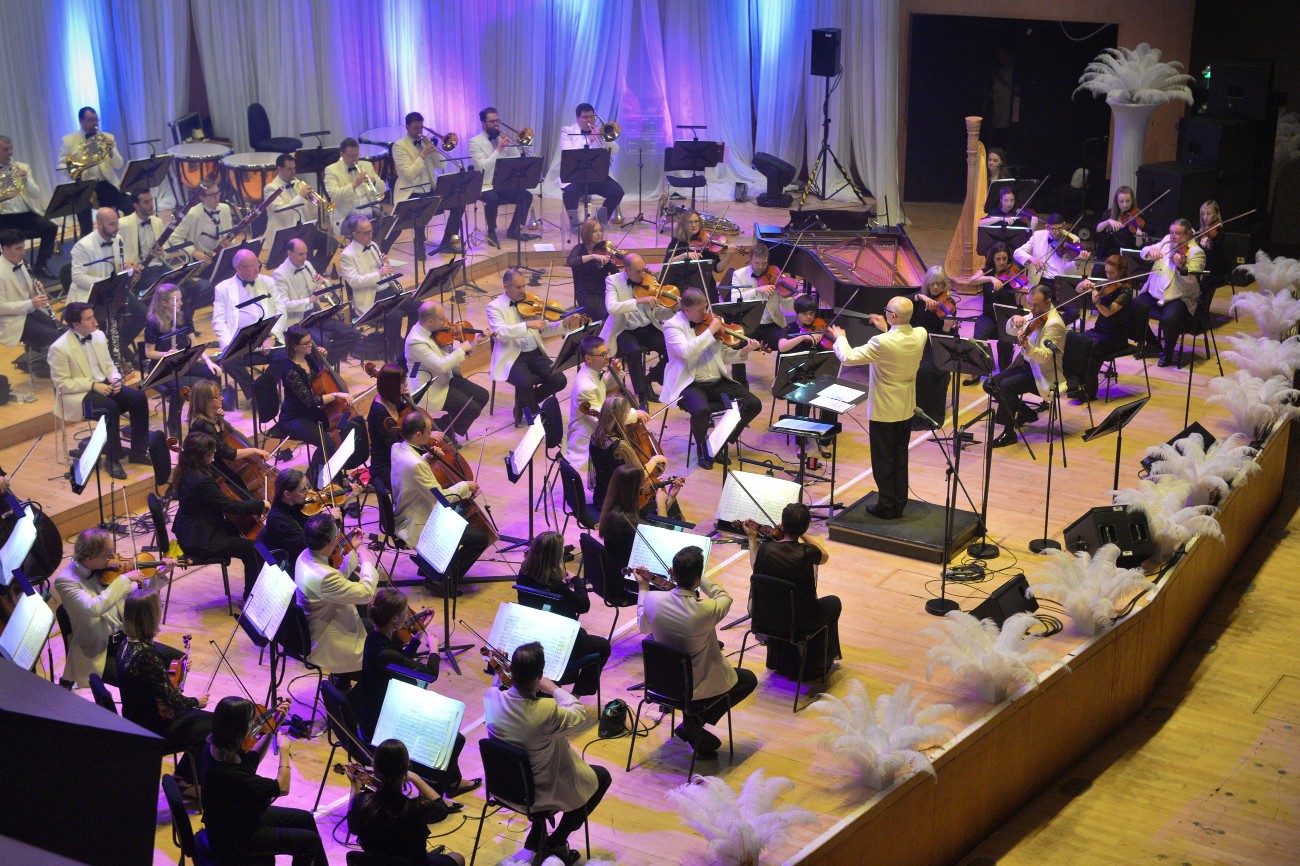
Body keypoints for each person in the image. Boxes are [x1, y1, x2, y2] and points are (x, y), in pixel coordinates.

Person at [483, 641, 613, 866]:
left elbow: (500, 690)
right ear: (539, 675)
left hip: (503, 789)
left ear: (511, 670)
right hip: (539, 794)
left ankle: (539, 829)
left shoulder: (490, 697)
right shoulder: (547, 711)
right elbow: (580, 712)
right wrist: (552, 688)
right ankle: (557, 840)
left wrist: (499, 671)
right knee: (601, 777)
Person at [356, 589, 480, 800]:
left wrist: (416, 638)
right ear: (395, 619)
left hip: (381, 708)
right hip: (380, 723)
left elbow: (399, 662)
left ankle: (452, 782)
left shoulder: (375, 637)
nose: (409, 615)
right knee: (454, 739)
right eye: (405, 612)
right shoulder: (385, 652)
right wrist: (434, 649)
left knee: (448, 731)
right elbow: (429, 674)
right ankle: (434, 797)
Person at [636, 546, 758, 756]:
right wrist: (701, 580)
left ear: (673, 573)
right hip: (696, 687)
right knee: (748, 680)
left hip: (662, 682)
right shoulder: (707, 609)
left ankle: (691, 724)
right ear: (697, 577)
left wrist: (643, 587)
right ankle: (694, 721)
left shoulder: (652, 600)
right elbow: (724, 596)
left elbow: (644, 627)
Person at [828, 296, 927, 520]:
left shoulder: (880, 342)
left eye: (887, 311)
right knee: (900, 456)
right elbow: (898, 343)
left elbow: (848, 357)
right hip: (906, 406)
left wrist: (840, 338)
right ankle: (898, 502)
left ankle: (886, 505)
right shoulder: (921, 334)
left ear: (893, 316)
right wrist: (887, 328)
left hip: (885, 409)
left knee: (883, 460)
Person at [199, 696, 327, 865]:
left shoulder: (216, 747)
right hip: (235, 839)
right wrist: (283, 751)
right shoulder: (233, 775)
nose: (255, 724)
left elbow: (251, 760)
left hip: (237, 820)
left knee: (305, 819)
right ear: (239, 729)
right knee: (310, 843)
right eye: (251, 722)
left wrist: (274, 725)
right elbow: (282, 787)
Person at [116, 588, 211, 794]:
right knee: (212, 724)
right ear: (151, 616)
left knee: (200, 721)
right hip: (152, 728)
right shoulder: (147, 656)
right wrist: (197, 701)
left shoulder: (125, 644)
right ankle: (185, 781)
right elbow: (175, 701)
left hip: (133, 718)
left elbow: (151, 681)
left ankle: (184, 776)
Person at [52, 527, 172, 687]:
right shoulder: (66, 581)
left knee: (177, 660)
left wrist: (158, 576)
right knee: (145, 682)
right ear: (90, 557)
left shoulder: (106, 570)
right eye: (108, 555)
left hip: (126, 640)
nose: (113, 558)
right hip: (99, 651)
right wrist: (124, 580)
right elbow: (95, 607)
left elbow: (134, 596)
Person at [661, 287, 762, 470]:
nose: (706, 313)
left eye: (706, 307)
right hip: (690, 384)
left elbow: (723, 355)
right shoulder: (672, 326)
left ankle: (720, 442)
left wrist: (743, 351)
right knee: (701, 411)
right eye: (700, 310)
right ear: (687, 310)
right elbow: (686, 352)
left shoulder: (712, 321)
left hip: (717, 381)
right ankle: (702, 446)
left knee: (753, 404)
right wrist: (710, 331)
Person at [48, 302, 151, 479]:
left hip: (103, 385)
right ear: (76, 324)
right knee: (109, 408)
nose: (95, 321)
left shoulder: (98, 335)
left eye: (93, 316)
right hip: (79, 395)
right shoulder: (59, 348)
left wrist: (115, 378)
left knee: (138, 398)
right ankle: (112, 459)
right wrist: (93, 385)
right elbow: (61, 384)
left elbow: (108, 365)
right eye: (89, 318)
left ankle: (138, 451)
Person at [391, 411, 489, 588]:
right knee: (480, 539)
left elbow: (413, 468)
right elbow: (442, 498)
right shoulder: (417, 465)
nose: (431, 436)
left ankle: (430, 568)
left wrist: (427, 458)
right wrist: (465, 486)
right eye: (428, 432)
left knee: (459, 514)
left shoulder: (397, 448)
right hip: (418, 521)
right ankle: (441, 581)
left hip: (406, 510)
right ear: (418, 434)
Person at [744, 502, 841, 680]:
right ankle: (817, 663)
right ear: (804, 527)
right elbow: (824, 556)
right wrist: (803, 534)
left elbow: (755, 566)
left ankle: (777, 659)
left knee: (781, 603)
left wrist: (752, 537)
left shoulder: (766, 548)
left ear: (782, 524)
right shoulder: (806, 553)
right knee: (834, 603)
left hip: (766, 618)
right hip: (798, 624)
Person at [170, 431, 270, 600]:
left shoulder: (185, 470)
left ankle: (258, 587)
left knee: (244, 534)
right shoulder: (202, 481)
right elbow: (230, 506)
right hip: (201, 539)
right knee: (253, 549)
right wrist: (260, 505)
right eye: (212, 452)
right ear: (203, 456)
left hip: (191, 530)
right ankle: (250, 597)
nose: (215, 453)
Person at [516, 531, 612, 698]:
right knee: (603, 646)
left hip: (534, 632)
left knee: (585, 636)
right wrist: (576, 581)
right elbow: (583, 606)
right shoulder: (556, 587)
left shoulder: (523, 574)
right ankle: (575, 696)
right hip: (558, 640)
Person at [347, 738, 468, 866]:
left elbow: (353, 827)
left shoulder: (362, 803)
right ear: (405, 769)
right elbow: (442, 808)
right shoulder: (416, 808)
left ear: (375, 769)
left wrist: (355, 785)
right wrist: (415, 777)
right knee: (458, 857)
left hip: (376, 863)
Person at [485, 267, 578, 426]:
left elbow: (544, 328)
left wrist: (563, 324)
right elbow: (500, 333)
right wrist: (527, 324)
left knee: (559, 380)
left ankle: (523, 405)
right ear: (506, 287)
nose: (522, 291)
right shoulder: (494, 307)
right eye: (518, 287)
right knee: (525, 382)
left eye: (524, 286)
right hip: (513, 357)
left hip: (535, 353)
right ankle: (535, 416)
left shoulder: (530, 302)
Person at [294, 511, 378, 685]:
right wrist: (367, 561)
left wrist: (353, 551)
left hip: (320, 619)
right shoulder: (323, 577)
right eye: (336, 535)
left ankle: (344, 682)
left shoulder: (305, 555)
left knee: (372, 626)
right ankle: (358, 682)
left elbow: (335, 581)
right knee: (379, 643)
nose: (339, 537)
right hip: (327, 637)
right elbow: (366, 594)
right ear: (329, 542)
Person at [983, 284, 1067, 447]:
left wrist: (1027, 347)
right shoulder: (1036, 313)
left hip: (1043, 372)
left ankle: (1009, 433)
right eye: (1030, 304)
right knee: (990, 384)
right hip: (1027, 366)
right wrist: (1014, 320)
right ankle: (1025, 412)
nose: (1032, 309)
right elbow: (1012, 331)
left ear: (1048, 302)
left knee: (1005, 386)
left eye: (1036, 305)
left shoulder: (1054, 324)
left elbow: (1045, 357)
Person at [280, 324, 369, 475]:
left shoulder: (308, 359)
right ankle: (314, 476)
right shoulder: (290, 371)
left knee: (344, 427)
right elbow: (310, 400)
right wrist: (337, 395)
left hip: (310, 412)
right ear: (295, 346)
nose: (311, 345)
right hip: (294, 417)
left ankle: (335, 473)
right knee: (328, 444)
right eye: (306, 343)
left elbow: (319, 382)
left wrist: (323, 360)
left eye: (310, 341)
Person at [143, 282, 220, 436]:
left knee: (213, 373)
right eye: (176, 300)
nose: (181, 303)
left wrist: (208, 361)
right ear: (164, 303)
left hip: (182, 363)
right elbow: (149, 352)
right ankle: (173, 423)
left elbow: (194, 344)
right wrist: (166, 354)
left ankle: (211, 415)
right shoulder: (154, 323)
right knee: (180, 387)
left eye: (180, 299)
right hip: (163, 368)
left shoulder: (183, 317)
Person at [404, 300, 488, 440]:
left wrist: (474, 343)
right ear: (430, 321)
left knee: (482, 396)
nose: (447, 323)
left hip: (446, 378)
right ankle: (441, 430)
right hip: (431, 387)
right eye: (442, 319)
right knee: (471, 409)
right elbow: (441, 366)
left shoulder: (434, 331)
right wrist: (461, 349)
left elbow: (450, 355)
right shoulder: (416, 341)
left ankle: (445, 428)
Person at [1131, 219, 1206, 368]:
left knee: (1170, 318)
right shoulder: (1166, 241)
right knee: (1132, 308)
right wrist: (1151, 251)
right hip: (1154, 294)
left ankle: (1168, 352)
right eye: (1171, 232)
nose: (1173, 236)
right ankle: (1153, 344)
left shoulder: (1196, 252)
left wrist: (1180, 266)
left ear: (1188, 234)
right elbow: (1143, 252)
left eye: (1177, 233)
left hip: (1179, 297)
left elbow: (1193, 273)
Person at [271, 237, 362, 361]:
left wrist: (322, 282)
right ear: (289, 254)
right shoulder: (279, 274)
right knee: (324, 343)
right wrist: (309, 300)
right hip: (299, 322)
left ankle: (328, 362)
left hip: (316, 315)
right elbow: (285, 305)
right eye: (300, 254)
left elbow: (323, 286)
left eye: (306, 253)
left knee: (352, 334)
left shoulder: (307, 265)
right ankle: (323, 366)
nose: (304, 257)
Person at [588, 396, 679, 519]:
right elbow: (638, 476)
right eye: (627, 412)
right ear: (621, 417)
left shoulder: (595, 437)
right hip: (621, 506)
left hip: (601, 498)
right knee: (669, 504)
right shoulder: (620, 446)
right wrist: (655, 460)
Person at [601, 252, 670, 407]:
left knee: (672, 347)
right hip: (624, 329)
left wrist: (673, 308)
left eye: (644, 269)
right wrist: (639, 301)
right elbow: (611, 307)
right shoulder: (613, 281)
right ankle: (642, 394)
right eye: (639, 271)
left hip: (647, 326)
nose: (643, 274)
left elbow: (658, 313)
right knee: (633, 351)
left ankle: (649, 379)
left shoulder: (649, 280)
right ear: (627, 270)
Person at [564, 335, 639, 478]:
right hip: (588, 436)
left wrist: (615, 374)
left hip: (598, 429)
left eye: (607, 352)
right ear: (588, 358)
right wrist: (634, 415)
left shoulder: (593, 372)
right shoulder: (585, 387)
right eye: (603, 354)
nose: (608, 357)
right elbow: (604, 418)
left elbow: (604, 390)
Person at [212, 248, 278, 405]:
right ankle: (256, 394)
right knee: (228, 361)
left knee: (284, 356)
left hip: (266, 338)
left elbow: (278, 310)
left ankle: (265, 388)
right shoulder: (223, 288)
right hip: (239, 341)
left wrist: (271, 336)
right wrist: (230, 346)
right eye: (251, 266)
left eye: (257, 264)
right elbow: (218, 321)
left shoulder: (268, 282)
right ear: (238, 267)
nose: (257, 270)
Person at [392, 112, 463, 256]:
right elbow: (409, 174)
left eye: (421, 128)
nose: (419, 131)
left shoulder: (425, 143)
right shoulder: (399, 146)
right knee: (421, 208)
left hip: (430, 189)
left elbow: (441, 165)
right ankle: (419, 244)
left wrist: (433, 150)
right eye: (415, 128)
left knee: (459, 202)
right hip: (411, 192)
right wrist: (422, 155)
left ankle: (447, 242)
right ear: (407, 127)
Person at [186, 379, 271, 494]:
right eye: (217, 397)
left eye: (220, 395)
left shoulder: (210, 418)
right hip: (212, 470)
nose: (222, 398)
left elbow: (221, 439)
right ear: (206, 401)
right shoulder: (203, 426)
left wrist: (219, 421)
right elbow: (227, 453)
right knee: (242, 490)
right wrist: (253, 450)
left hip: (219, 463)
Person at [470, 106, 537, 247]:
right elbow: (483, 167)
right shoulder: (475, 142)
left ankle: (514, 229)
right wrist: (498, 150)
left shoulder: (501, 138)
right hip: (485, 185)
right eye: (491, 122)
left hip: (503, 183)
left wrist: (512, 146)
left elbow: (516, 160)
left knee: (526, 196)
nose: (495, 124)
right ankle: (491, 232)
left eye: (497, 121)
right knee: (492, 199)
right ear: (483, 123)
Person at [1071, 254, 1135, 401]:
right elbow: (1078, 290)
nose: (1109, 276)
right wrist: (1084, 284)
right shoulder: (1106, 284)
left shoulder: (1126, 291)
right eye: (1107, 272)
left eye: (1112, 273)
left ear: (1121, 272)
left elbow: (1108, 312)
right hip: (1100, 331)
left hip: (1115, 336)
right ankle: (1078, 384)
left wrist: (1097, 302)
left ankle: (1089, 390)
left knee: (1092, 347)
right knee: (1076, 341)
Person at [60, 107, 127, 233]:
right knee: (84, 214)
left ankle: (125, 236)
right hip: (84, 185)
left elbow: (119, 165)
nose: (95, 124)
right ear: (81, 121)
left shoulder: (107, 137)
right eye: (91, 120)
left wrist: (111, 151)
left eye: (96, 120)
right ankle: (88, 241)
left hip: (105, 183)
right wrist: (78, 167)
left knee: (129, 204)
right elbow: (61, 166)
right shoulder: (69, 141)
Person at [558, 102, 624, 229]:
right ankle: (575, 225)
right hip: (575, 176)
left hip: (596, 175)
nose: (589, 120)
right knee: (569, 193)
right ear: (578, 118)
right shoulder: (567, 131)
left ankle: (597, 223)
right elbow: (567, 151)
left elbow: (615, 150)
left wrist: (603, 138)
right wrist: (589, 139)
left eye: (591, 116)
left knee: (617, 191)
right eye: (585, 117)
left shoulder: (599, 132)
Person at [0, 135, 57, 277]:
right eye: (6, 149)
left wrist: (26, 181)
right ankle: (6, 272)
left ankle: (41, 265)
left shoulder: (22, 167)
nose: (10, 152)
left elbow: (36, 193)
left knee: (50, 227)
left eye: (11, 148)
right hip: (3, 217)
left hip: (25, 214)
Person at [964, 242, 1022, 377]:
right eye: (998, 259)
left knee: (1005, 343)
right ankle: (978, 371)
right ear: (993, 259)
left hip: (1007, 317)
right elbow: (972, 280)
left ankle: (1003, 375)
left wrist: (1021, 290)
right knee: (978, 339)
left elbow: (1020, 299)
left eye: (1004, 259)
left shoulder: (1013, 273)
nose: (1002, 262)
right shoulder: (986, 272)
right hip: (988, 316)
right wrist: (990, 278)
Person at [0, 229, 60, 357]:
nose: (23, 252)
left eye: (23, 247)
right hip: (13, 321)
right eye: (18, 249)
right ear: (5, 249)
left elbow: (27, 293)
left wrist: (35, 289)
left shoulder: (22, 263)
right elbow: (1, 307)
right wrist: (31, 303)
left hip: (30, 312)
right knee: (55, 336)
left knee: (65, 331)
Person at [662, 211, 744, 303]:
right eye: (690, 222)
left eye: (696, 221)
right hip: (684, 284)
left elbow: (717, 268)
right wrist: (685, 255)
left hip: (705, 284)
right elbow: (668, 262)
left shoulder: (706, 241)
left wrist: (728, 256)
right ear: (684, 224)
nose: (694, 225)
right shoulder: (677, 241)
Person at [733, 243, 797, 350]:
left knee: (786, 345)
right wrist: (756, 290)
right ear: (750, 259)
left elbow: (787, 307)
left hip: (772, 324)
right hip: (749, 324)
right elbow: (734, 298)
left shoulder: (776, 275)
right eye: (757, 263)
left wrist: (795, 301)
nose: (760, 267)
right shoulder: (739, 275)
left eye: (764, 263)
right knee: (735, 344)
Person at [324, 137, 387, 237]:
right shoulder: (331, 170)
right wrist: (354, 184)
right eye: (351, 156)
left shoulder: (367, 165)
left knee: (391, 228)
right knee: (362, 234)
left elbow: (383, 188)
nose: (354, 159)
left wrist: (374, 181)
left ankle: (375, 246)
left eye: (356, 155)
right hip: (347, 217)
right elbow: (334, 195)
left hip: (370, 213)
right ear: (342, 154)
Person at [258, 469, 316, 576]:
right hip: (300, 567)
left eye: (307, 486)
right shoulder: (278, 521)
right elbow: (306, 546)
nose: (308, 492)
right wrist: (326, 522)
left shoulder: (295, 504)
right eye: (303, 490)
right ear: (287, 494)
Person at [338, 213, 396, 319]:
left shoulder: (373, 245)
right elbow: (354, 282)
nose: (371, 235)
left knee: (416, 305)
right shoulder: (347, 255)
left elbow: (385, 271)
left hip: (388, 288)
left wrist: (386, 263)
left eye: (371, 231)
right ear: (355, 234)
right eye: (366, 233)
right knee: (395, 315)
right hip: (371, 296)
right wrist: (379, 274)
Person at [1012, 212, 1091, 287]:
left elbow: (1067, 271)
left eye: (1060, 229)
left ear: (1063, 225)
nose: (1057, 232)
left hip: (1059, 282)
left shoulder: (1072, 240)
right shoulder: (1038, 236)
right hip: (1039, 281)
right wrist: (1032, 259)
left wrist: (1077, 262)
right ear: (1047, 227)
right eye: (1053, 229)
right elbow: (1017, 253)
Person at [68, 206, 126, 305]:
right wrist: (105, 284)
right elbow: (77, 276)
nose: (117, 227)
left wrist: (125, 268)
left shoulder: (118, 239)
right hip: (90, 297)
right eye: (112, 224)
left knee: (142, 311)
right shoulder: (83, 246)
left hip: (114, 293)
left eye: (117, 223)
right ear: (99, 224)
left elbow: (119, 267)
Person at [369, 363, 412, 489]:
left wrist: (410, 402)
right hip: (386, 464)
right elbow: (394, 446)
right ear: (392, 386)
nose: (406, 384)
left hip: (399, 456)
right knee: (417, 481)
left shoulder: (393, 399)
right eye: (402, 382)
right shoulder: (379, 411)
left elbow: (410, 420)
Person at [596, 463, 645, 574]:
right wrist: (662, 503)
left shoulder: (612, 507)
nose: (643, 488)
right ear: (633, 489)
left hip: (618, 565)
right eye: (641, 485)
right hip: (624, 573)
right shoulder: (622, 519)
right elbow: (656, 534)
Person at [173, 180, 234, 269]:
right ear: (202, 197)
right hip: (202, 261)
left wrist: (231, 246)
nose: (217, 197)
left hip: (223, 257)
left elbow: (229, 233)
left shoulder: (225, 208)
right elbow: (174, 238)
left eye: (218, 193)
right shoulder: (192, 213)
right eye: (212, 195)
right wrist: (194, 252)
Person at [566, 218, 618, 320]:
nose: (599, 234)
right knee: (606, 315)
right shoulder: (579, 249)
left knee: (618, 311)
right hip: (586, 295)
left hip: (604, 292)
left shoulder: (604, 249)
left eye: (600, 230)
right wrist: (592, 256)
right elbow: (570, 262)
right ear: (587, 233)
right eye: (595, 231)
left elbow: (614, 272)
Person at [261, 152, 318, 244]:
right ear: (279, 169)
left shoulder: (296, 183)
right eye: (289, 169)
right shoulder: (270, 189)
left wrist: (312, 200)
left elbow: (309, 211)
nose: (293, 172)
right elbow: (282, 212)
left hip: (304, 229)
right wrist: (300, 196)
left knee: (330, 242)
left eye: (294, 168)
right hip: (285, 233)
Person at [1094, 185, 1148, 258]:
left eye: (1128, 201)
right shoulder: (1109, 213)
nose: (1125, 205)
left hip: (1126, 256)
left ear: (1132, 200)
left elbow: (1138, 245)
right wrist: (1108, 221)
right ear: (1117, 201)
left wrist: (1139, 237)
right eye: (1121, 201)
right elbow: (1098, 229)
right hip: (1107, 254)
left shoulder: (1138, 216)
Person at [1197, 199, 1228, 288]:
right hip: (1201, 267)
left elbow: (1216, 258)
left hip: (1212, 271)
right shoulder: (1203, 230)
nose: (1205, 217)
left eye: (1208, 214)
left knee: (1191, 274)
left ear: (1216, 214)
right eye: (1203, 214)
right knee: (1184, 272)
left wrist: (1206, 247)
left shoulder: (1220, 232)